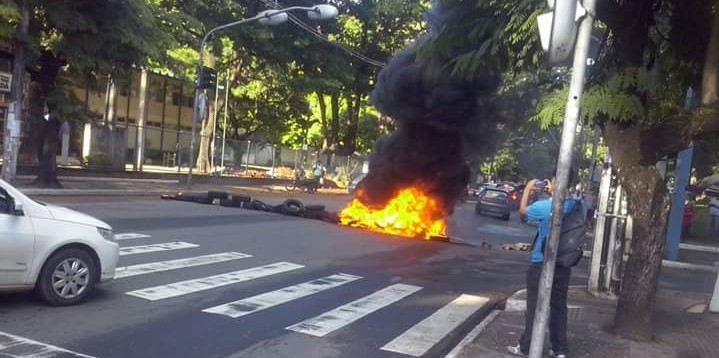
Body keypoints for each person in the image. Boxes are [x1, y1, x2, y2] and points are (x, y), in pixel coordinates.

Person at [508, 172, 579, 358]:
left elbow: (523, 212)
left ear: (557, 182)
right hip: (564, 264)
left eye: (551, 181)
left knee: (534, 306)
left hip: (542, 262)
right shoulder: (575, 204)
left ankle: (526, 347)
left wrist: (528, 189)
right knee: (559, 307)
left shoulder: (546, 205)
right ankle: (559, 349)